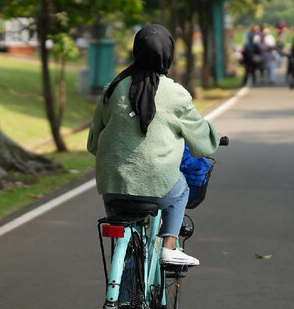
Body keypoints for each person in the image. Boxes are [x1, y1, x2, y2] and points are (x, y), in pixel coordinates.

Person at [87, 24, 220, 267]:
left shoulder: (113, 89)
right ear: (168, 54)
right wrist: (211, 133)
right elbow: (204, 145)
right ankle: (169, 246)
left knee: (126, 245)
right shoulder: (176, 94)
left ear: (136, 52)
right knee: (181, 189)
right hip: (159, 187)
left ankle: (123, 300)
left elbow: (94, 143)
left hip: (113, 185)